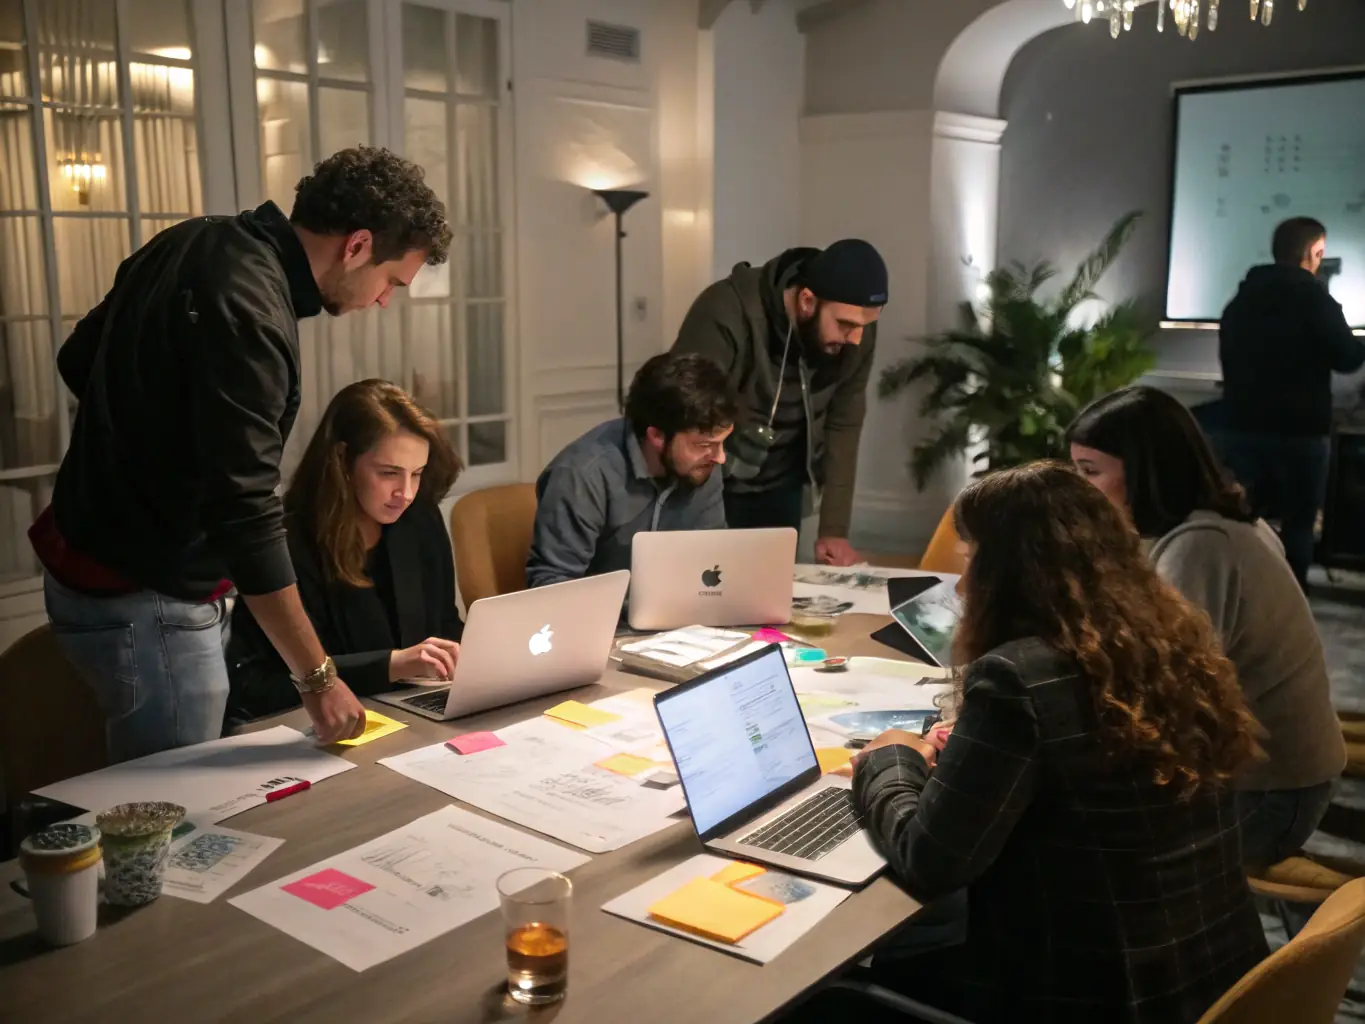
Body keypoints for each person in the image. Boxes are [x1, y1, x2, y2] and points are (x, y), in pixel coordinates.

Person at [30, 147, 451, 761]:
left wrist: (148, 442)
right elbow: (245, 513)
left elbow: (79, 359)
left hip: (88, 562)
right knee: (173, 815)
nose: (384, 300)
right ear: (357, 245)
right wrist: (319, 678)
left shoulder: (193, 239)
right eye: (391, 282)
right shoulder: (252, 311)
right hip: (149, 590)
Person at [817, 463, 1268, 1023]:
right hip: (1209, 986)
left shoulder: (1015, 679)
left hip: (1086, 997)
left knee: (828, 995)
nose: (960, 586)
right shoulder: (1169, 647)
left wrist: (891, 756)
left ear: (1009, 570)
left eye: (969, 561)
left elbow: (930, 861)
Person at [1068, 385, 1344, 868]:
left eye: (1089, 472)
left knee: (1065, 841)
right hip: (1271, 776)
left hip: (1268, 792)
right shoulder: (1202, 525)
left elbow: (1159, 684)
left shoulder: (1201, 545)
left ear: (1145, 472)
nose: (1077, 488)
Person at [225, 380, 464, 726]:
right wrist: (391, 665)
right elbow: (258, 687)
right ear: (342, 459)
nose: (407, 493)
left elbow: (444, 626)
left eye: (417, 473)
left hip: (415, 718)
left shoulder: (420, 520)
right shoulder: (288, 543)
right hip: (322, 730)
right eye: (389, 473)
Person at [672, 239, 886, 567]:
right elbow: (685, 413)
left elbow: (845, 421)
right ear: (807, 301)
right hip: (711, 482)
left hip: (782, 485)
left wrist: (834, 530)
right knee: (707, 591)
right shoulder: (726, 311)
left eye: (864, 326)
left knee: (767, 603)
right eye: (845, 325)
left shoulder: (855, 337)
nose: (855, 339)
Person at [1219, 216, 1365, 588]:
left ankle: (1242, 595)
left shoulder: (1241, 299)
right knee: (1299, 524)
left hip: (1240, 426)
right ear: (1313, 252)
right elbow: (1347, 358)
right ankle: (1290, 602)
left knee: (1243, 517)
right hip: (1300, 433)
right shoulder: (1315, 300)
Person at [526, 352, 737, 589]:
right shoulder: (582, 476)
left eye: (722, 442)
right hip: (604, 621)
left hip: (681, 618)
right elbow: (551, 585)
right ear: (656, 435)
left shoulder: (701, 465)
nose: (720, 457)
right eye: (705, 445)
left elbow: (713, 559)